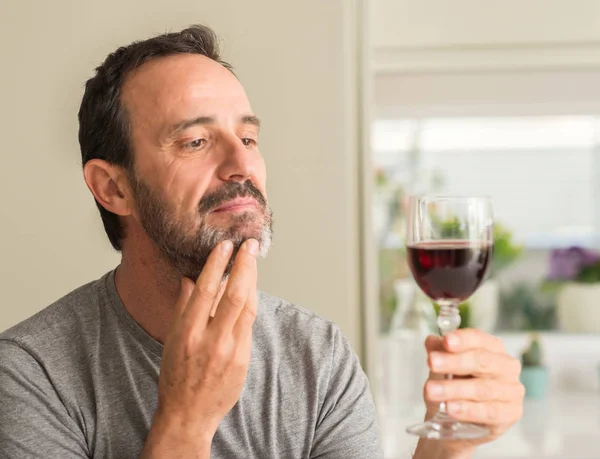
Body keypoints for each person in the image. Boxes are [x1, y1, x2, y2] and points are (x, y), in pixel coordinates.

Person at [0, 25, 524, 459]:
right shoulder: (30, 374)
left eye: (248, 138)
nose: (242, 164)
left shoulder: (317, 355)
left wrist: (446, 448)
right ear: (114, 188)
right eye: (196, 141)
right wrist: (185, 422)